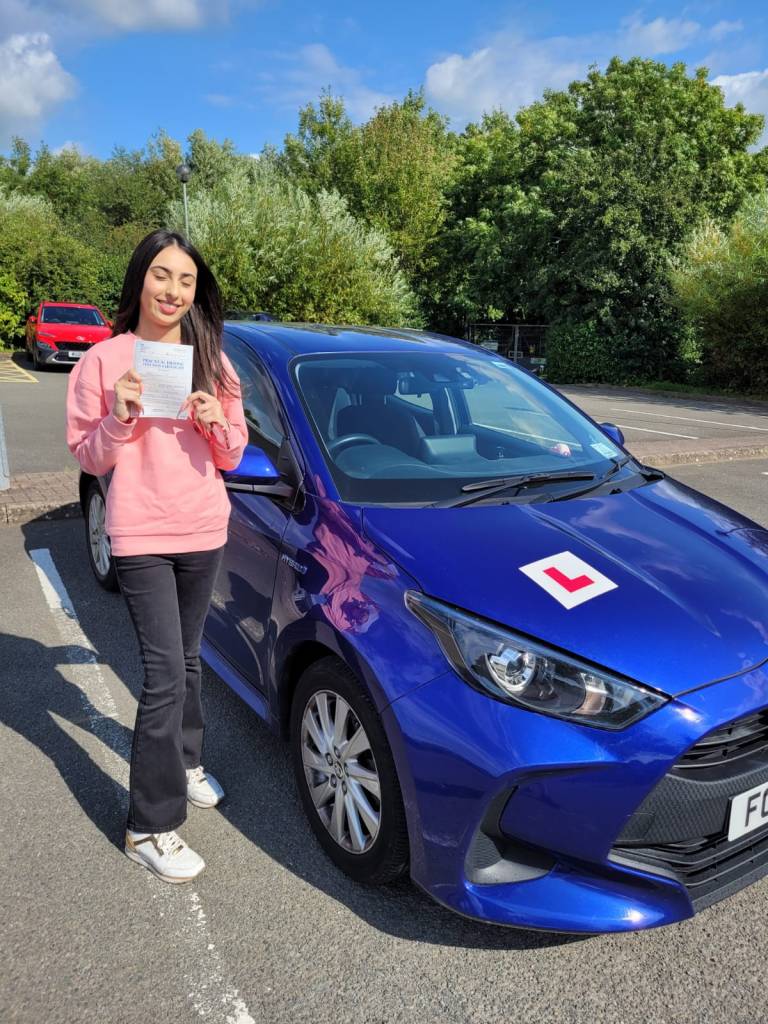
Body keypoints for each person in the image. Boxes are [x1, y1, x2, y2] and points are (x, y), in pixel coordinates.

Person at [65, 228, 247, 883]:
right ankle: (149, 825)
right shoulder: (104, 361)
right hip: (141, 534)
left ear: (197, 291)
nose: (173, 290)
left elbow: (232, 454)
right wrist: (119, 417)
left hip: (204, 528)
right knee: (165, 674)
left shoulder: (212, 360)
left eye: (186, 280)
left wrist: (215, 420)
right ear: (140, 279)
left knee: (189, 659)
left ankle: (187, 761)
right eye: (161, 275)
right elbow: (89, 456)